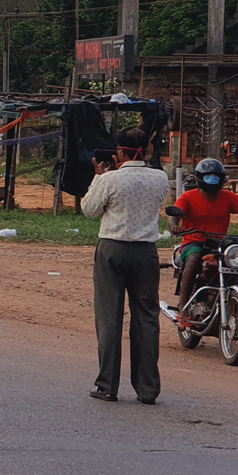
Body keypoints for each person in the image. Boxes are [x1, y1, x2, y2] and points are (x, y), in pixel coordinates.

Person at [80, 135, 169, 404]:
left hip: (112, 249)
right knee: (146, 318)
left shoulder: (110, 179)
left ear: (120, 151)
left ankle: (107, 385)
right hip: (145, 251)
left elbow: (89, 210)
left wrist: (97, 178)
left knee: (109, 317)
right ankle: (147, 389)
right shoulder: (160, 178)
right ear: (146, 151)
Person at [167, 158, 238, 316]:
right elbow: (174, 216)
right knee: (194, 259)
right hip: (194, 243)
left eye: (215, 177)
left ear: (222, 179)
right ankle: (183, 307)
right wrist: (174, 226)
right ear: (199, 178)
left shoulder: (229, 197)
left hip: (219, 244)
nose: (212, 181)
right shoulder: (188, 197)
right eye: (208, 177)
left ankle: (233, 307)